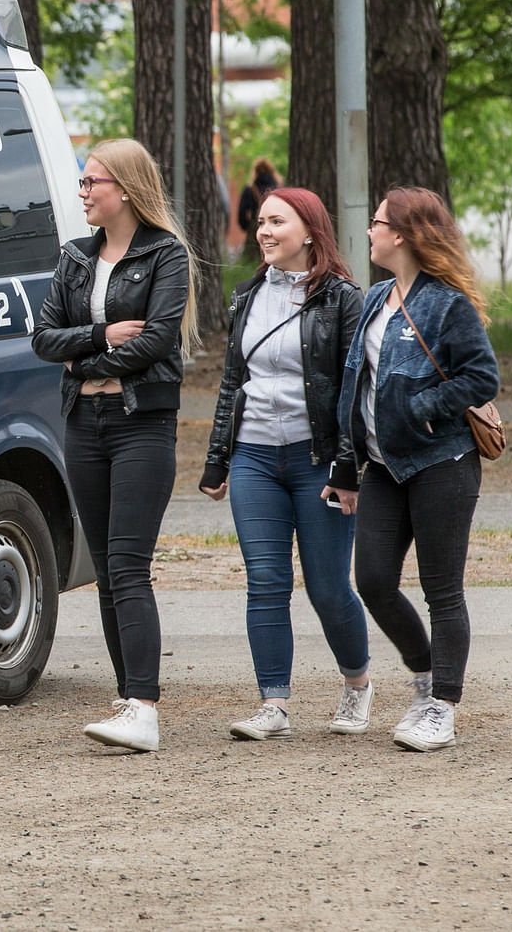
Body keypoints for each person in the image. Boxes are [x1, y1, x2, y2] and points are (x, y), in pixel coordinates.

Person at [32, 138, 195, 753]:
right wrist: (97, 340)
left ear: (124, 188)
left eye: (91, 182)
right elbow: (44, 338)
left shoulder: (165, 256)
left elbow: (156, 342)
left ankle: (145, 709)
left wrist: (85, 360)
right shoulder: (75, 257)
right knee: (105, 571)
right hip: (85, 424)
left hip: (140, 425)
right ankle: (130, 701)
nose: (82, 193)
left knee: (129, 566)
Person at [199, 187, 371, 741]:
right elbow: (233, 381)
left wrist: (349, 468)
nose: (264, 231)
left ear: (309, 231)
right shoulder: (247, 294)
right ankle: (273, 703)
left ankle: (358, 685)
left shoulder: (343, 298)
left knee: (326, 587)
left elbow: (352, 390)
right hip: (253, 456)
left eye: (277, 222)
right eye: (262, 222)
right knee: (266, 581)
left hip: (315, 458)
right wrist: (217, 457)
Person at [336, 187, 500, 752]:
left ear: (401, 234)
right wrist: (347, 457)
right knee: (374, 581)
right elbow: (357, 380)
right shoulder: (375, 297)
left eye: (377, 222)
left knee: (442, 591)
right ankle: (426, 674)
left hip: (441, 463)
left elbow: (482, 377)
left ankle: (441, 708)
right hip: (383, 467)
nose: (369, 231)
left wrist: (423, 410)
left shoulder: (447, 303)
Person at [235, 158, 281, 261]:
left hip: (256, 228)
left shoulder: (250, 188)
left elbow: (242, 212)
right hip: (277, 227)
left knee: (251, 260)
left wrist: (247, 227)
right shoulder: (279, 188)